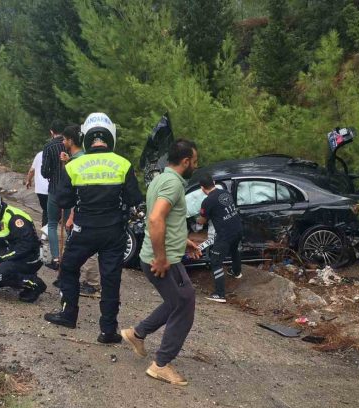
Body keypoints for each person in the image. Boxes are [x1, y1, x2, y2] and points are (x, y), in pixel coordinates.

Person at [44, 113, 143, 345]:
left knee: (68, 268)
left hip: (84, 230)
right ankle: (108, 330)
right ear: (111, 137)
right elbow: (133, 198)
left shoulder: (74, 165)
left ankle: (68, 314)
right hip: (113, 232)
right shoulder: (123, 163)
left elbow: (62, 201)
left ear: (85, 136)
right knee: (111, 279)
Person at [121, 139, 201, 386]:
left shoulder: (160, 179)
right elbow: (155, 219)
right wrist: (162, 257)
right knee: (185, 305)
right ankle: (161, 365)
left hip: (160, 254)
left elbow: (165, 219)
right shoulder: (173, 185)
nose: (196, 166)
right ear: (185, 161)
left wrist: (182, 240)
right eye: (195, 162)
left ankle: (137, 333)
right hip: (162, 259)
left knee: (176, 301)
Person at [59, 125, 100, 298]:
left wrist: (71, 217)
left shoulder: (80, 160)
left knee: (87, 248)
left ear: (70, 140)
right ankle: (82, 280)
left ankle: (92, 284)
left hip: (85, 213)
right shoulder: (77, 159)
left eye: (64, 139)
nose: (62, 142)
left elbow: (80, 193)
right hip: (85, 212)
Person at [197, 174, 243, 303]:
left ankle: (219, 294)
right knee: (234, 251)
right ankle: (236, 272)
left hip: (225, 234)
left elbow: (202, 221)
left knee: (215, 261)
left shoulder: (207, 201)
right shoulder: (224, 192)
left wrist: (197, 219)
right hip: (237, 228)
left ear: (202, 188)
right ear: (213, 182)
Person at [40, 119, 71, 269]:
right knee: (68, 226)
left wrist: (51, 173)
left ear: (51, 131)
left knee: (52, 224)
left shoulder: (48, 146)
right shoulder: (70, 146)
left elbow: (44, 171)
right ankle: (69, 256)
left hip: (54, 190)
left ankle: (56, 258)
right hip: (69, 191)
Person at [25, 151, 49, 227]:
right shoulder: (59, 153)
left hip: (40, 189)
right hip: (53, 188)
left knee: (46, 210)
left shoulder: (39, 154)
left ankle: (45, 232)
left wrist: (28, 180)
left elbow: (32, 170)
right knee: (52, 211)